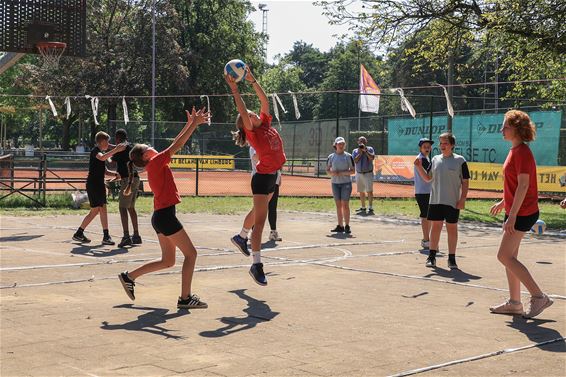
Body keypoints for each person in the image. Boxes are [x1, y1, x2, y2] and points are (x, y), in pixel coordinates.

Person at [118, 107, 210, 309]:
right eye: (147, 146)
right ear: (145, 155)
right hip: (165, 217)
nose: (151, 146)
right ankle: (185, 298)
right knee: (191, 254)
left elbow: (174, 144)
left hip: (160, 217)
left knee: (168, 261)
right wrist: (194, 125)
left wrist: (190, 123)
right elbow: (177, 145)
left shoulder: (153, 163)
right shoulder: (156, 162)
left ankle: (129, 276)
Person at [489, 110, 554, 318]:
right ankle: (515, 303)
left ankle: (538, 296)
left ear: (516, 128)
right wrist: (504, 202)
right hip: (516, 210)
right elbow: (515, 184)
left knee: (503, 256)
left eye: (505, 126)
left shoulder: (523, 152)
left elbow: (524, 185)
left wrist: (513, 215)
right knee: (511, 257)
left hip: (523, 213)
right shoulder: (514, 150)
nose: (502, 130)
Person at [226, 67, 286, 286]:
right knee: (260, 223)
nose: (252, 114)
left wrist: (252, 80)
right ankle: (256, 264)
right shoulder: (253, 131)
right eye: (249, 116)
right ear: (246, 125)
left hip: (272, 176)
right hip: (261, 179)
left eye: (252, 113)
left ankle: (241, 236)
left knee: (256, 212)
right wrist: (234, 89)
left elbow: (264, 101)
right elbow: (242, 110)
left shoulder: (266, 124)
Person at [414, 132, 469, 269]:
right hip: (435, 201)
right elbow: (427, 178)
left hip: (452, 202)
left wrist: (462, 199)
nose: (442, 146)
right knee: (436, 228)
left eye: (445, 143)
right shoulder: (435, 160)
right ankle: (431, 257)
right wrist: (419, 167)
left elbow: (465, 182)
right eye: (441, 143)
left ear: (452, 145)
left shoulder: (460, 160)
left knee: (452, 229)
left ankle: (452, 259)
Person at [72, 132, 126, 245]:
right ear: (102, 142)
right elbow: (102, 158)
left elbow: (105, 171)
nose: (108, 144)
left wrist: (116, 174)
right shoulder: (96, 151)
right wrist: (116, 150)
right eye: (107, 141)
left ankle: (83, 233)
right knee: (97, 210)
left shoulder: (101, 153)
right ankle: (94, 234)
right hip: (94, 184)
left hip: (99, 184)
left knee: (100, 209)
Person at [112, 129, 142, 248]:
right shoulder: (130, 147)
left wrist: (109, 153)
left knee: (122, 208)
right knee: (131, 208)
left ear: (118, 138)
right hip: (135, 178)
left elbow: (111, 162)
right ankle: (136, 235)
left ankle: (126, 236)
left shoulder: (120, 149)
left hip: (127, 180)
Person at [251, 146, 282, 242]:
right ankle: (253, 233)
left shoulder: (270, 145)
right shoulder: (254, 145)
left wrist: (279, 177)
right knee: (258, 208)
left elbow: (277, 163)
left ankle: (273, 232)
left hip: (273, 178)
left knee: (273, 207)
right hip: (261, 179)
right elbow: (256, 157)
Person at [327, 137, 355, 234]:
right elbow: (327, 170)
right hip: (335, 183)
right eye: (339, 143)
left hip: (345, 183)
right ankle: (340, 225)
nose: (341, 145)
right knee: (338, 205)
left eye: (342, 143)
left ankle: (347, 225)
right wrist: (332, 173)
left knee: (345, 204)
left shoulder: (348, 156)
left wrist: (342, 173)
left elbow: (353, 171)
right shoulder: (331, 157)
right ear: (335, 145)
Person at [414, 138, 434, 250]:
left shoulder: (425, 158)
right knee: (426, 216)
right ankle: (426, 240)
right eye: (425, 146)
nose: (427, 148)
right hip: (423, 191)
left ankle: (427, 239)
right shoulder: (421, 159)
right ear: (420, 148)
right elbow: (429, 176)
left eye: (429, 146)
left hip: (425, 191)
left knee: (428, 216)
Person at [352, 136, 375, 214]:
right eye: (360, 141)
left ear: (366, 142)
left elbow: (372, 158)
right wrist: (360, 153)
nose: (362, 142)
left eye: (363, 141)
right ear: (357, 142)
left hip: (368, 173)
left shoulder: (370, 149)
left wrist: (365, 151)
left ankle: (371, 207)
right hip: (359, 173)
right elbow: (354, 160)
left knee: (369, 191)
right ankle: (363, 207)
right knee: (361, 191)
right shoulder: (355, 151)